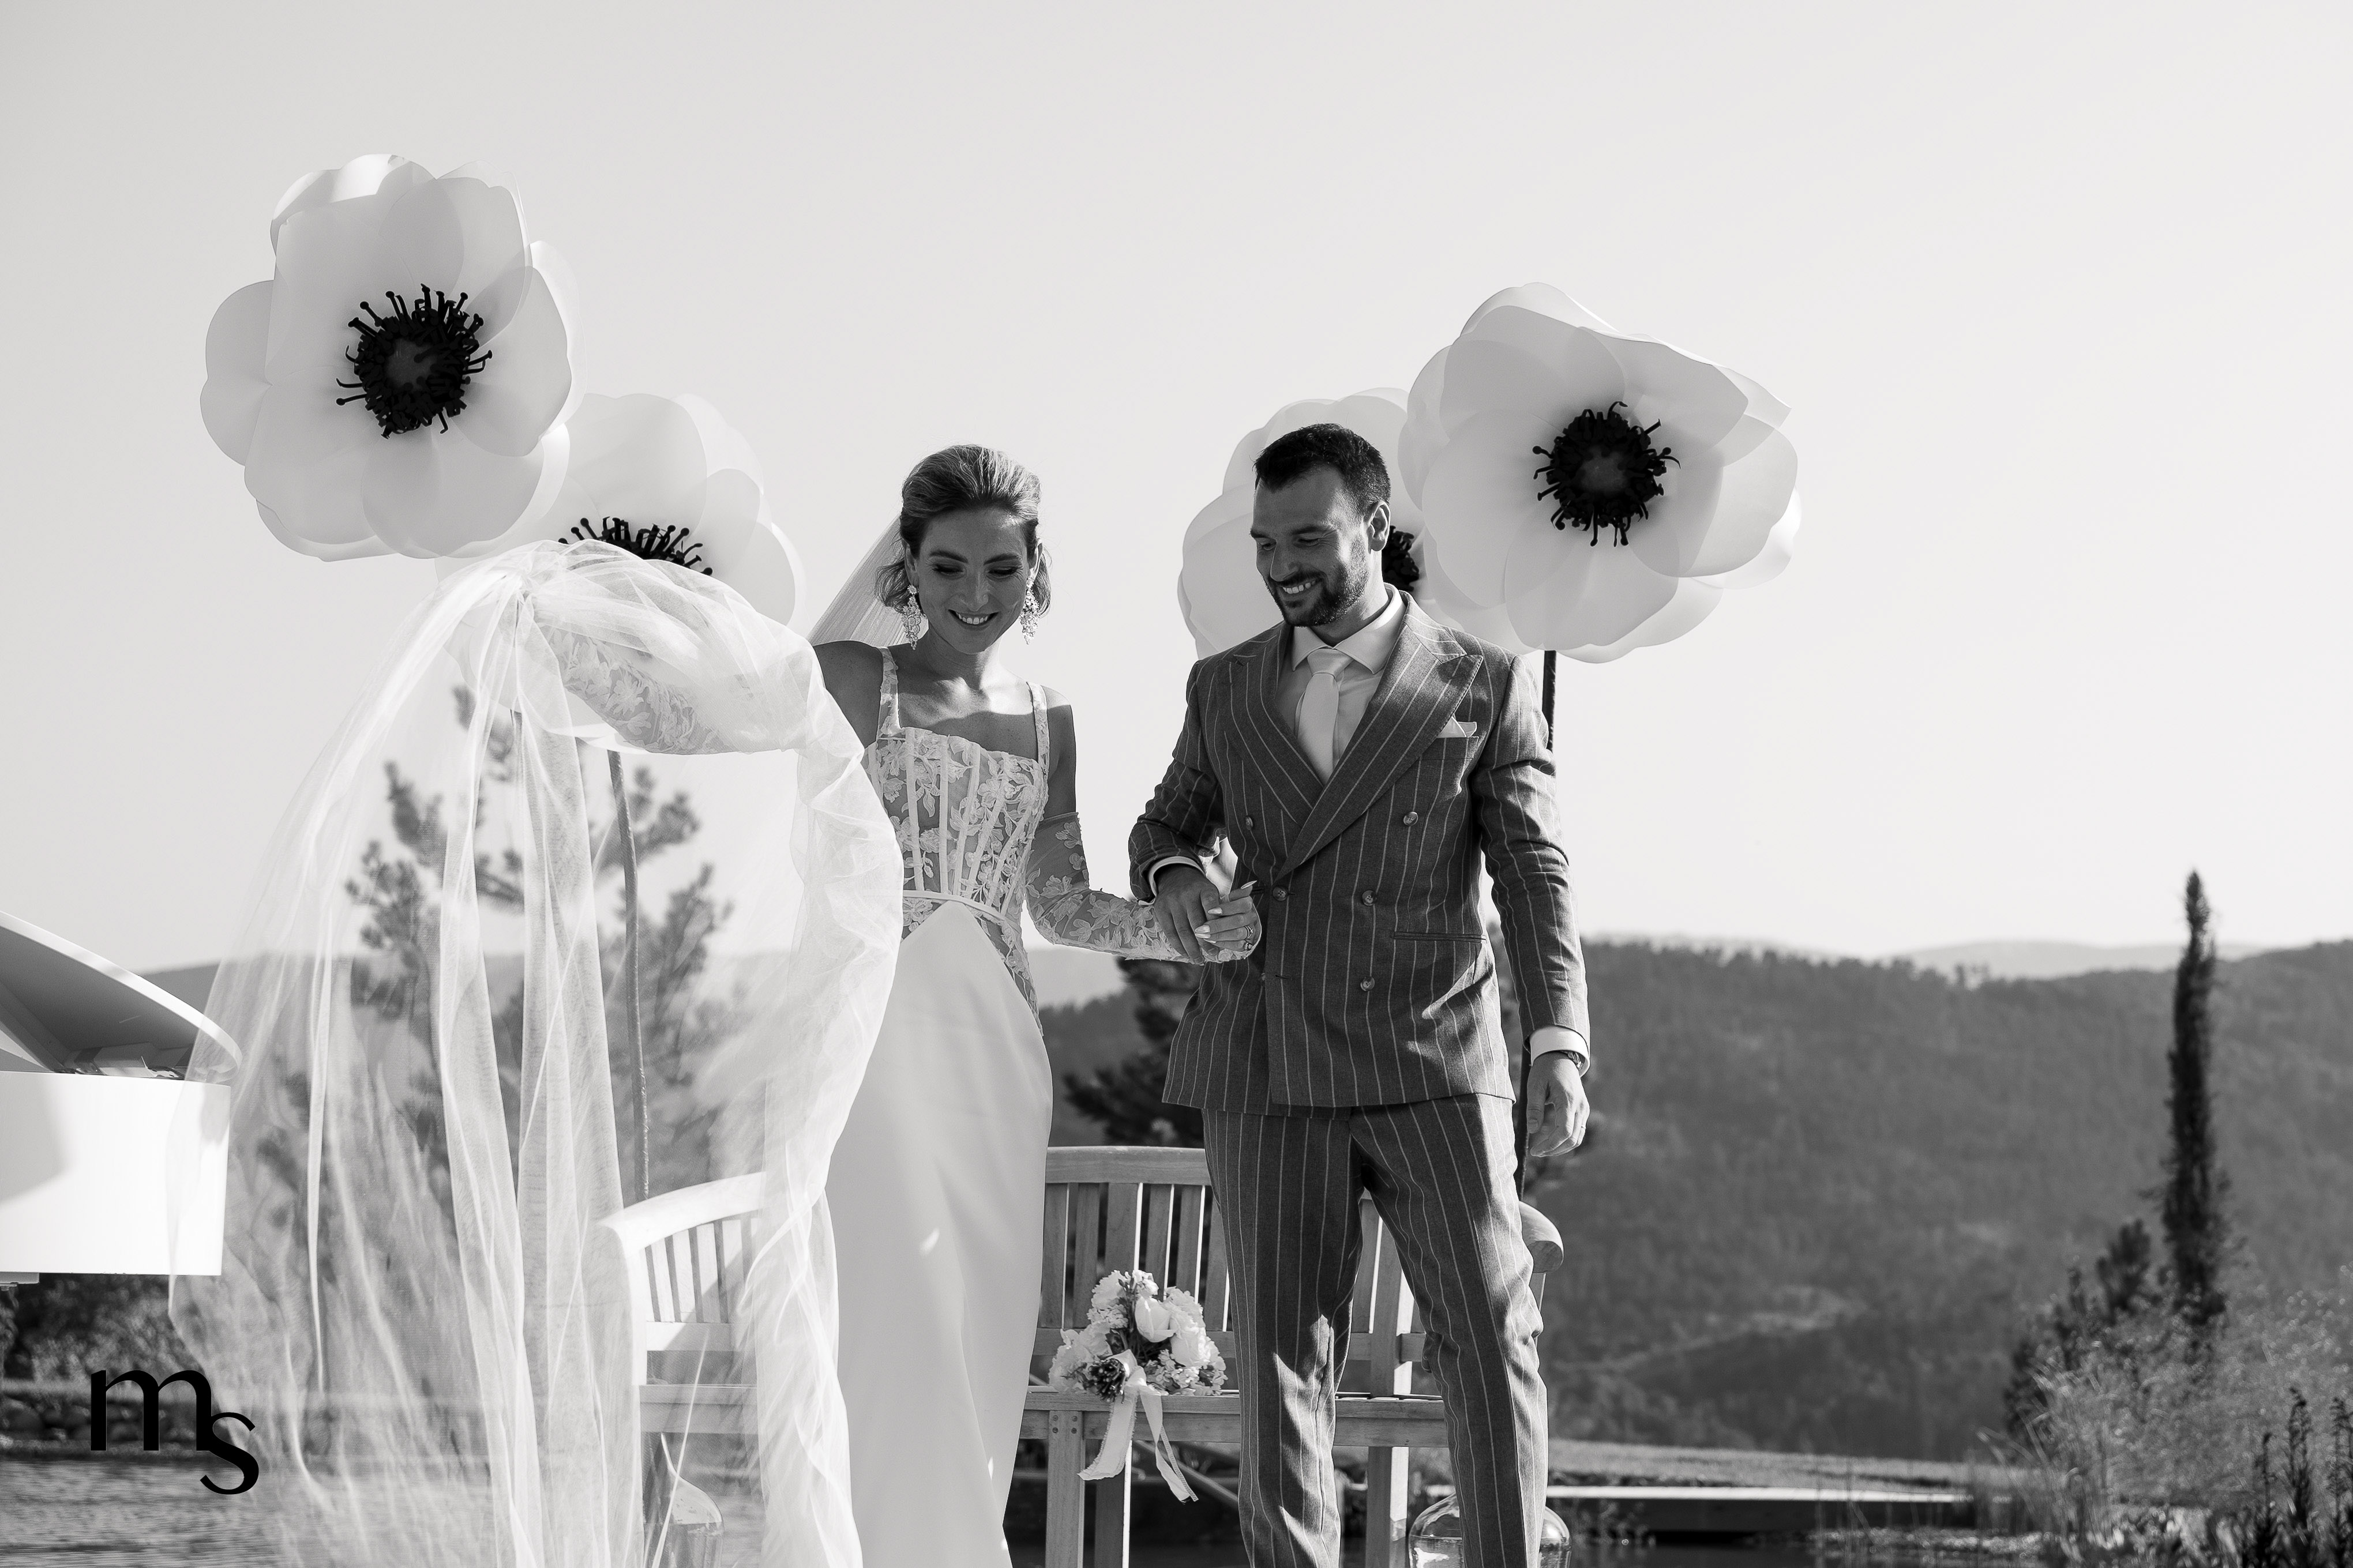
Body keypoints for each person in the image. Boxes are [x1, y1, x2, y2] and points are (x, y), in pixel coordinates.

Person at [1130, 423, 1592, 1568]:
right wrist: (1182, 878)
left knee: (1492, 1337)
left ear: (1377, 528)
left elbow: (1534, 874)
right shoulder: (1225, 685)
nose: (1282, 563)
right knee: (1282, 1355)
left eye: (1310, 537)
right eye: (1264, 541)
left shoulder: (1483, 679)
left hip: (1435, 1063)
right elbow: (1166, 823)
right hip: (1266, 1056)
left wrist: (1559, 1045)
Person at [806, 445, 1261, 1568]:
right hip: (877, 1031)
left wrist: (1190, 930)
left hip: (995, 1055)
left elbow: (1058, 906)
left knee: (976, 1331)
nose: (975, 594)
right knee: (896, 1314)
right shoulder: (856, 677)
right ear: (905, 566)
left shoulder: (1049, 718)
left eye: (1000, 568)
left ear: (1035, 568)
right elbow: (716, 719)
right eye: (949, 565)